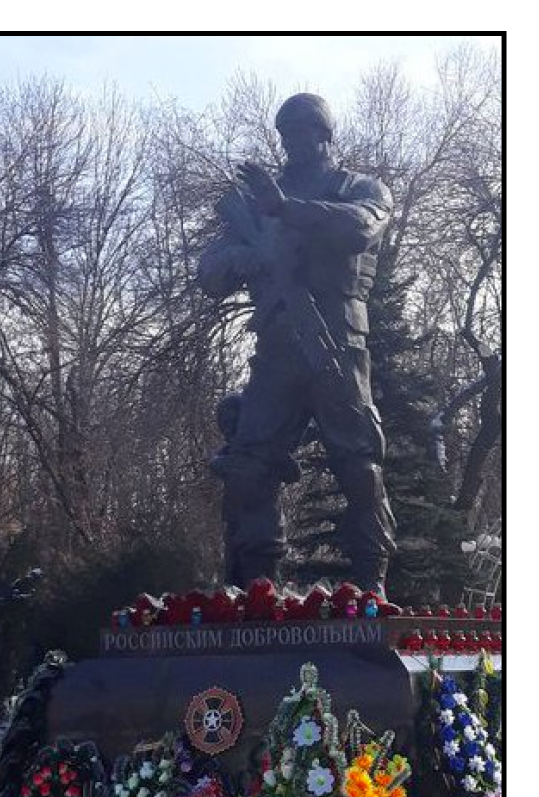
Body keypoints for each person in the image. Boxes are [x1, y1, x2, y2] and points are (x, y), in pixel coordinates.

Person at [198, 93, 396, 592]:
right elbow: (210, 270)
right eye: (286, 134)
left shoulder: (358, 188)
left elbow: (362, 228)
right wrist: (238, 259)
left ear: (325, 135)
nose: (293, 144)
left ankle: (373, 589)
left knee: (359, 464)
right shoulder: (254, 205)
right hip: (276, 353)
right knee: (249, 467)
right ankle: (257, 593)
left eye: (303, 132)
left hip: (337, 347)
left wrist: (288, 210)